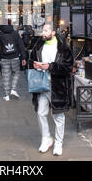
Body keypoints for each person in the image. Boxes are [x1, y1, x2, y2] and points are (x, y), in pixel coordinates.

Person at [28, 23, 73, 156]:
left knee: (58, 116)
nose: (43, 33)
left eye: (46, 31)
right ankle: (46, 138)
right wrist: (34, 64)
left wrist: (50, 66)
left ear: (53, 32)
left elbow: (68, 66)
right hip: (41, 85)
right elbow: (30, 60)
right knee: (41, 113)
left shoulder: (63, 46)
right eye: (43, 30)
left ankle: (58, 142)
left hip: (58, 86)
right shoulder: (39, 44)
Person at [0, 22, 27, 101]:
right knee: (16, 73)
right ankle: (13, 89)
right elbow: (21, 45)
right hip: (15, 57)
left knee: (6, 76)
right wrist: (23, 57)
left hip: (4, 58)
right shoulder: (15, 33)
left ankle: (6, 95)